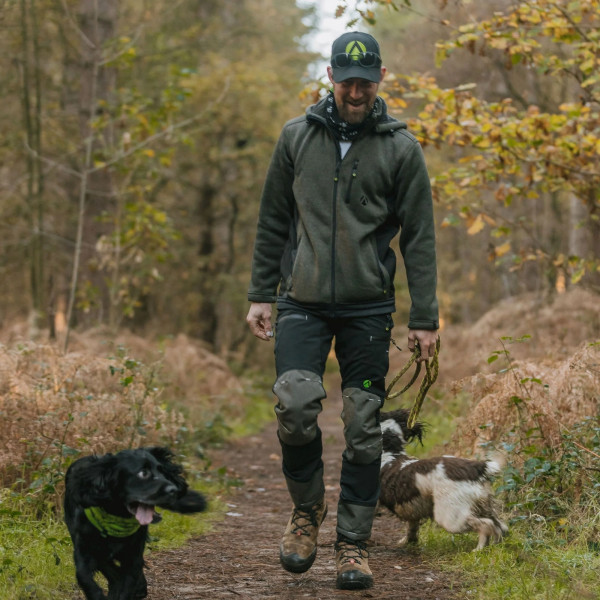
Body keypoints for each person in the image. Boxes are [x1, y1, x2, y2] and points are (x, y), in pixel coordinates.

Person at [246, 31, 439, 590]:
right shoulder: (296, 137)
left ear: (381, 80)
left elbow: (420, 238)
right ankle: (307, 513)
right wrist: (261, 293)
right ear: (330, 76)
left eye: (366, 83)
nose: (356, 92)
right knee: (296, 405)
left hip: (368, 307)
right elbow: (272, 220)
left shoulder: (401, 148)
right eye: (347, 82)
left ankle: (353, 544)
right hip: (301, 300)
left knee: (362, 425)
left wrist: (424, 318)